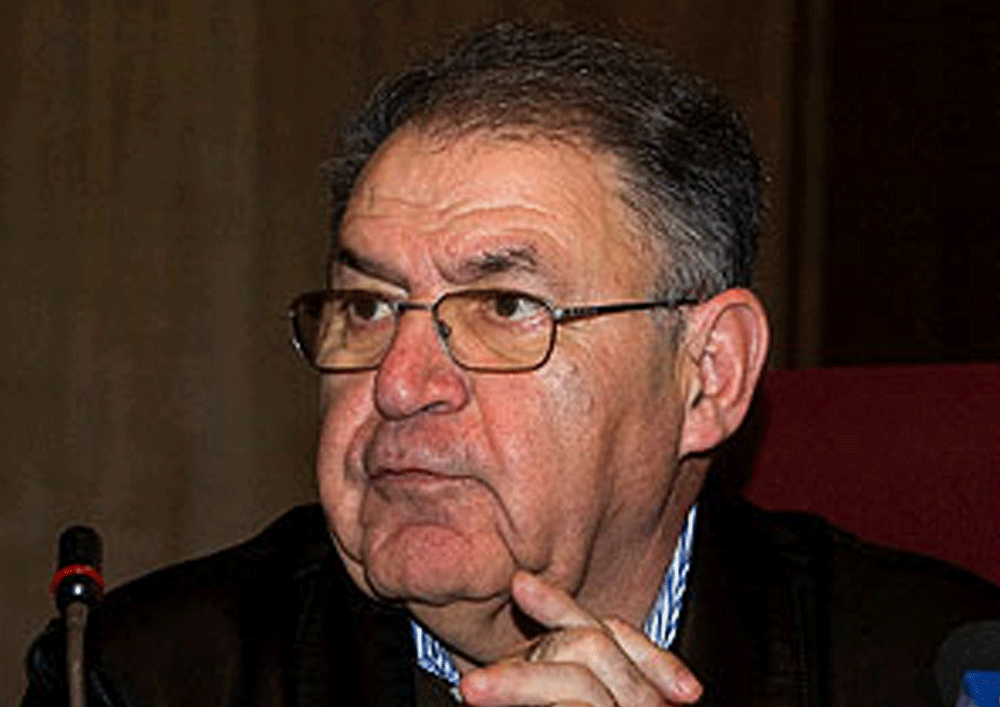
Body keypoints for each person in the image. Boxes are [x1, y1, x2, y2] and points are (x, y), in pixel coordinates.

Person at [23, 21, 1000, 707]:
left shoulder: (936, 668)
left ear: (707, 374)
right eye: (367, 306)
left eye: (502, 307)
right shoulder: (139, 674)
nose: (400, 383)